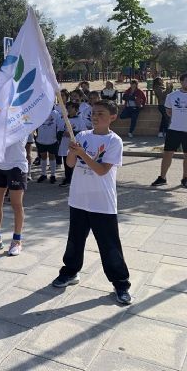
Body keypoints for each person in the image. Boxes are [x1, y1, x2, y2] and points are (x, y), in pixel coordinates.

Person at [52, 99, 132, 305]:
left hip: (102, 203)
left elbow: (102, 170)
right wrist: (72, 150)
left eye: (101, 114)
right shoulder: (82, 136)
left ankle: (121, 283)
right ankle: (70, 272)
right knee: (75, 240)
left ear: (112, 117)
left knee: (109, 245)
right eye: (94, 113)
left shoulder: (115, 141)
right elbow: (70, 164)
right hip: (79, 199)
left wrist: (82, 153)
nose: (96, 117)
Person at [151, 73, 187, 188]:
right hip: (174, 129)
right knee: (167, 154)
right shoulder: (172, 96)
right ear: (181, 81)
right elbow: (168, 112)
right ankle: (162, 178)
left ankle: (185, 178)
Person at [58, 101, 87, 188]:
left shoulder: (80, 120)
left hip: (75, 146)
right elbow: (59, 130)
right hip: (64, 144)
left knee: (75, 163)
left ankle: (75, 180)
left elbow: (83, 132)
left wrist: (72, 133)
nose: (69, 109)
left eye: (71, 108)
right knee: (66, 163)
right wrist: (62, 133)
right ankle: (67, 179)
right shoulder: (63, 119)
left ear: (76, 109)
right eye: (68, 108)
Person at [35, 107, 62, 183]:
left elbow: (60, 125)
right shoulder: (38, 111)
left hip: (52, 139)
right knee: (43, 157)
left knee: (52, 157)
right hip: (41, 139)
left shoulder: (55, 113)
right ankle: (43, 174)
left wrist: (59, 135)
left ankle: (53, 175)